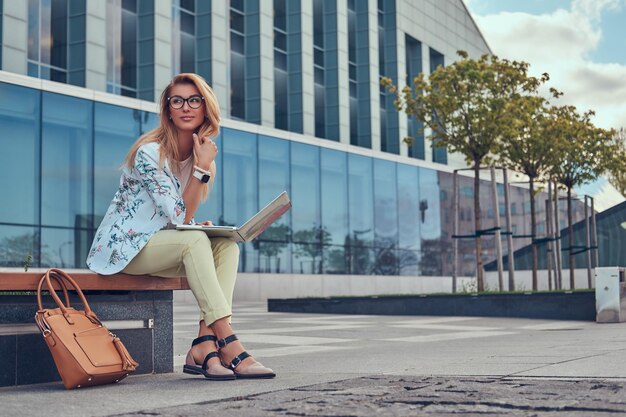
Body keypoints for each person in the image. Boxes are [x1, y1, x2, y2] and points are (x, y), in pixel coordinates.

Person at [86, 73, 275, 380]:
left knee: (225, 245)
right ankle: (228, 342)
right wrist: (199, 174)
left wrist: (196, 220)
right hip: (123, 251)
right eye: (177, 101)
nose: (186, 107)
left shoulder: (203, 159)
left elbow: (181, 219)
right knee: (196, 241)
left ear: (205, 108)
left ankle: (203, 343)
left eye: (194, 100)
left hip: (158, 244)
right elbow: (177, 215)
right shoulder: (150, 153)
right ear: (168, 110)